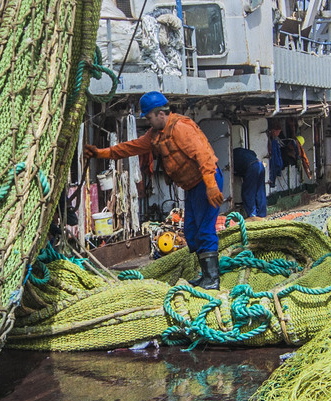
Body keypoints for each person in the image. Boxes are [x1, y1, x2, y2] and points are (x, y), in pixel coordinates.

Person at [84, 91, 225, 288]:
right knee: (192, 232)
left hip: (206, 181)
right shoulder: (155, 136)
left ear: (160, 114)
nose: (148, 122)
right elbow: (129, 148)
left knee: (205, 230)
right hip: (193, 187)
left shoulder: (182, 128)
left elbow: (204, 156)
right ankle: (205, 275)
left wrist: (211, 185)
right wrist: (100, 153)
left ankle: (212, 280)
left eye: (149, 117)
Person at [231, 145, 267, 218]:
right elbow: (253, 153)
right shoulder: (241, 152)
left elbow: (233, 169)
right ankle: (262, 214)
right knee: (260, 191)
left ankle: (253, 215)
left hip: (252, 167)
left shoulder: (231, 157)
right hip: (260, 164)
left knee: (248, 193)